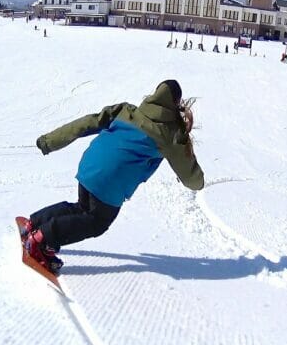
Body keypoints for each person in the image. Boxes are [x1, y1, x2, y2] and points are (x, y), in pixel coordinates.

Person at [20, 80, 205, 274]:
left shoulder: (126, 111)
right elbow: (190, 176)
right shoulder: (170, 135)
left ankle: (34, 224)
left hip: (90, 164)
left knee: (82, 208)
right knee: (97, 222)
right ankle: (41, 239)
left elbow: (86, 123)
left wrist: (50, 141)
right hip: (111, 181)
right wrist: (199, 182)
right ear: (176, 103)